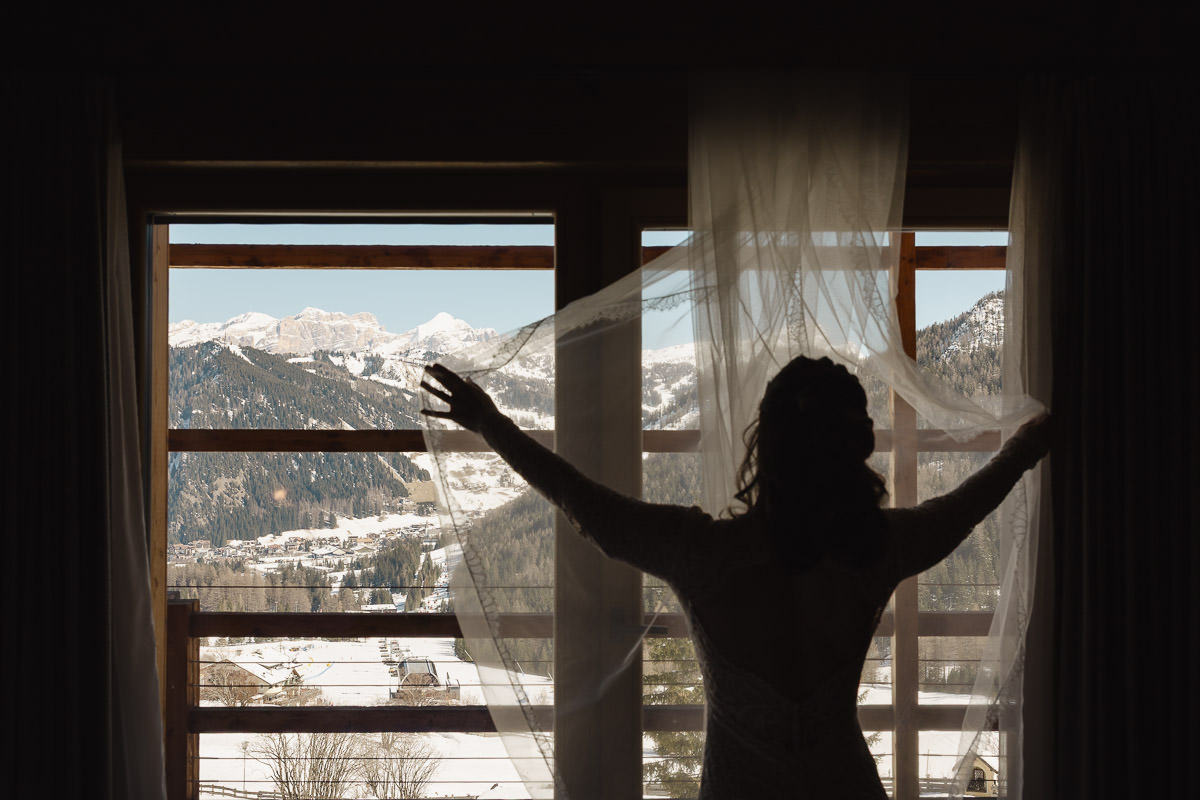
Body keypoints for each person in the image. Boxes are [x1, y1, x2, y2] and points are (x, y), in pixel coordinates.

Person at [421, 357, 1052, 799]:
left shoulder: (702, 554)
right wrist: (1026, 446)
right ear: (849, 454)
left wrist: (492, 425)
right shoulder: (877, 549)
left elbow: (583, 504)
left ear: (766, 450)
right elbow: (970, 502)